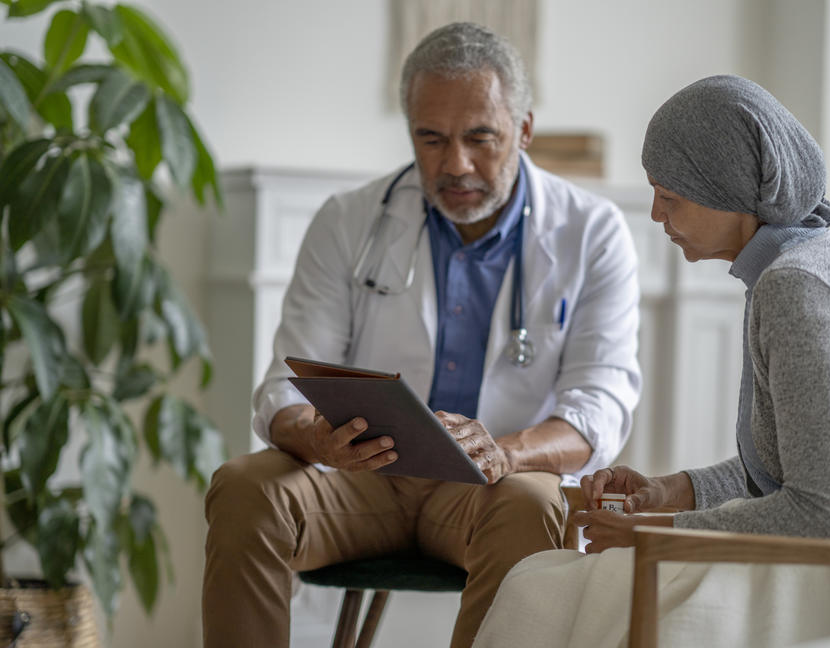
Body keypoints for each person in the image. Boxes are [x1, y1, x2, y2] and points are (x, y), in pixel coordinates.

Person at [471, 74, 830, 648]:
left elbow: (817, 509)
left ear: (731, 191)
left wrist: (654, 532)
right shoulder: (801, 261)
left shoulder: (797, 286)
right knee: (550, 584)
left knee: (542, 590)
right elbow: (793, 474)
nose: (657, 214)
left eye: (671, 196)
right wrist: (668, 492)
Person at [201, 22, 642, 648]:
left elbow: (600, 408)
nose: (454, 164)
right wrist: (322, 441)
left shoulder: (592, 234)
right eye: (430, 139)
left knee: (531, 504)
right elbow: (284, 388)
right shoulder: (348, 220)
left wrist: (505, 452)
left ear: (523, 130)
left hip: (492, 490)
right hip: (361, 480)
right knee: (245, 488)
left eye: (480, 137)